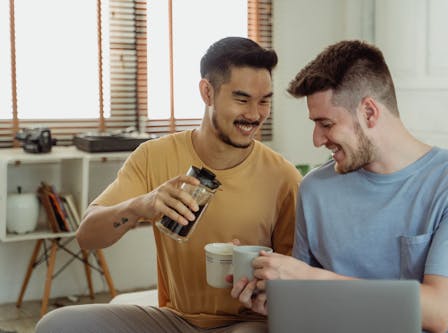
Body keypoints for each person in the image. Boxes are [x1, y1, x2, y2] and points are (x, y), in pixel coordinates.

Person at [36, 36, 301, 333]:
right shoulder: (154, 156)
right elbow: (87, 237)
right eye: (242, 99)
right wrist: (141, 205)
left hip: (248, 323)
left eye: (264, 101)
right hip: (175, 321)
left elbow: (298, 283)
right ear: (207, 92)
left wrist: (261, 277)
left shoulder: (283, 177)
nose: (255, 115)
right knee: (58, 325)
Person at [231, 40, 448, 333]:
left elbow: (439, 313)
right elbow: (305, 300)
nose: (317, 140)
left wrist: (309, 279)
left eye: (326, 124)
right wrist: (278, 302)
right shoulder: (315, 189)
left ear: (369, 112)